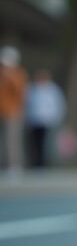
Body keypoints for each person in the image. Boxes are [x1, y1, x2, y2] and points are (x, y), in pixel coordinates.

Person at [25, 69, 65, 167]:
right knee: (36, 143)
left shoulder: (53, 90)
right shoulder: (32, 89)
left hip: (48, 121)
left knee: (47, 144)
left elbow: (59, 105)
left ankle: (45, 163)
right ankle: (36, 162)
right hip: (35, 121)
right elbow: (27, 105)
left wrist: (58, 118)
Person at [0, 46, 28, 177]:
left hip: (14, 112)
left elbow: (20, 92)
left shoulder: (18, 74)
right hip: (2, 111)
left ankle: (15, 166)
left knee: (12, 141)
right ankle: (4, 165)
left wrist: (10, 78)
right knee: (3, 141)